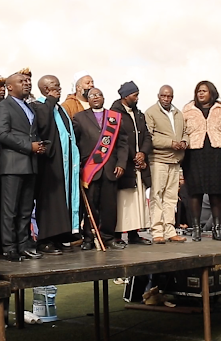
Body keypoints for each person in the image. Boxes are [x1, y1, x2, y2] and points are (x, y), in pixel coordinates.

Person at [0, 73, 45, 261]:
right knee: (10, 209)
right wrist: (27, 146)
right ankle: (9, 247)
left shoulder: (30, 107)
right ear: (9, 87)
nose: (27, 84)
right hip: (12, 165)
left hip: (30, 164)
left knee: (25, 209)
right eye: (22, 82)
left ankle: (24, 244)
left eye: (28, 81)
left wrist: (38, 144)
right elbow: (2, 134)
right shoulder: (3, 107)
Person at [182, 81, 221, 241]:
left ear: (211, 93)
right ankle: (196, 229)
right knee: (195, 193)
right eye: (199, 91)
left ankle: (217, 229)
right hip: (194, 154)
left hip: (217, 154)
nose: (201, 94)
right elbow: (180, 130)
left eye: (204, 91)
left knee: (216, 193)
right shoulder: (187, 109)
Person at [73, 88, 129, 250]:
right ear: (87, 99)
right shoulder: (79, 118)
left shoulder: (115, 118)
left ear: (104, 97)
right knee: (90, 206)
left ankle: (108, 237)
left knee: (109, 206)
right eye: (92, 96)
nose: (96, 97)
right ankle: (89, 238)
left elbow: (123, 143)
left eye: (98, 95)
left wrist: (121, 164)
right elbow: (75, 144)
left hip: (111, 169)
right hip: (90, 170)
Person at [31, 75, 80, 255]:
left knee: (62, 201)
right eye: (54, 86)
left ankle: (59, 236)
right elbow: (43, 125)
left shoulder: (60, 108)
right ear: (45, 89)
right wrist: (50, 101)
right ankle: (45, 240)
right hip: (49, 164)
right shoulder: (39, 105)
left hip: (64, 164)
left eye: (59, 86)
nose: (58, 89)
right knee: (50, 202)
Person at [110, 82, 152, 245]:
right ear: (125, 96)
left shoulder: (139, 114)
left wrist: (143, 153)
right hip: (124, 163)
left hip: (138, 164)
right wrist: (135, 156)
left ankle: (134, 234)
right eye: (135, 95)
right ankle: (118, 235)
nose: (137, 98)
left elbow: (147, 136)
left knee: (137, 201)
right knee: (123, 202)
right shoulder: (114, 113)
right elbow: (119, 139)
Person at [145, 85, 188, 244]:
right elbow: (150, 137)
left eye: (169, 96)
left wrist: (184, 142)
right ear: (158, 96)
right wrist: (170, 143)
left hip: (175, 161)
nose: (166, 99)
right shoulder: (151, 113)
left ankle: (170, 230)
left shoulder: (178, 114)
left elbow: (185, 132)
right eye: (163, 96)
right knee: (157, 195)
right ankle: (157, 231)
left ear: (172, 97)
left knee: (171, 198)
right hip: (158, 159)